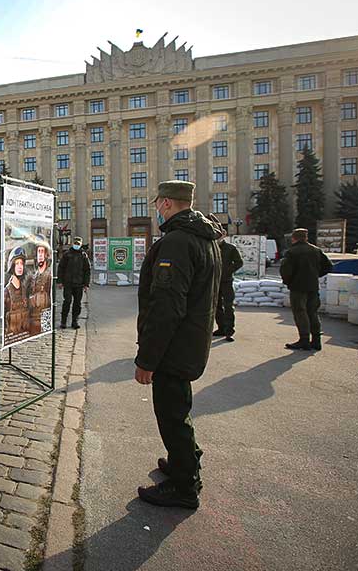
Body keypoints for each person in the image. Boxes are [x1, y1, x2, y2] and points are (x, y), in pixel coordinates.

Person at [134, 181, 222, 509]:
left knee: (172, 415)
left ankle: (184, 486)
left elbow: (166, 307)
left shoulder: (177, 242)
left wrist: (147, 359)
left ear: (168, 203)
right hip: (191, 341)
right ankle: (184, 460)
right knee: (178, 407)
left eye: (158, 203)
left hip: (174, 347)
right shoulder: (205, 238)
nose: (157, 209)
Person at [280, 228, 333, 351]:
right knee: (312, 312)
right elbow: (328, 266)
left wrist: (288, 282)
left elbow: (286, 271)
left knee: (300, 312)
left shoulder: (291, 252)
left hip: (298, 287)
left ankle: (304, 340)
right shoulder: (316, 250)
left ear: (294, 238)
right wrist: (316, 275)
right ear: (306, 238)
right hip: (313, 286)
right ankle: (316, 340)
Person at [209, 216, 243, 342]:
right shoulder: (211, 248)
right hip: (214, 282)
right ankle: (221, 328)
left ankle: (229, 331)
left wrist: (227, 271)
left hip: (226, 281)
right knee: (216, 306)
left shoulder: (230, 248)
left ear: (223, 235)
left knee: (228, 306)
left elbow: (239, 262)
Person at [57, 236, 90, 329]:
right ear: (73, 243)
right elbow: (61, 268)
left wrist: (86, 284)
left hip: (79, 284)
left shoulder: (83, 255)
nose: (76, 245)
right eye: (75, 243)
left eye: (78, 244)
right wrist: (60, 281)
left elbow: (87, 270)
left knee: (77, 303)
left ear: (81, 244)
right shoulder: (67, 254)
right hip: (68, 283)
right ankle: (63, 321)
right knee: (67, 301)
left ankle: (74, 321)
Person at [26, 237, 53, 334]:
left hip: (44, 314)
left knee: (43, 331)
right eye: (38, 252)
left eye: (42, 252)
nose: (40, 255)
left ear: (46, 255)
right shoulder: (33, 275)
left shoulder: (49, 274)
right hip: (33, 316)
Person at [4, 246, 29, 339]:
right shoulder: (6, 292)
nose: (20, 267)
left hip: (23, 335)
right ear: (12, 266)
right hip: (11, 336)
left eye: (21, 263)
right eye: (17, 263)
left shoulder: (25, 290)